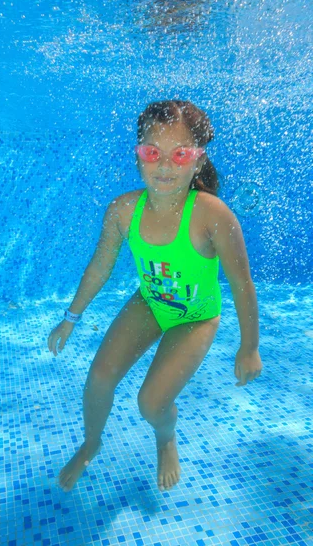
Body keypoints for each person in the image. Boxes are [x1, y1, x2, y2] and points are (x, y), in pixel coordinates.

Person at [48, 99, 262, 493]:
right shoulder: (123, 210)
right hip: (151, 303)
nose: (165, 165)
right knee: (98, 378)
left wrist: (249, 347)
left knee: (151, 404)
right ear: (138, 157)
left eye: (180, 154)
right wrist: (70, 317)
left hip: (196, 318)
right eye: (152, 152)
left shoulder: (213, 215)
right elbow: (99, 268)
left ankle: (166, 437)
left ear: (198, 161)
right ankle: (91, 444)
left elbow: (241, 284)